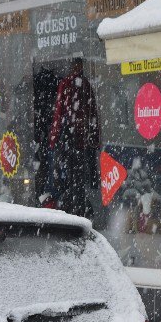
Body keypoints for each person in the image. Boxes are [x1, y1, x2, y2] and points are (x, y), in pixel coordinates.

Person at [48, 58, 99, 218]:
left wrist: (54, 138)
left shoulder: (70, 84)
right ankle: (78, 208)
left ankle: (72, 209)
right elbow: (92, 113)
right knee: (78, 178)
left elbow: (59, 111)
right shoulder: (84, 85)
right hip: (78, 140)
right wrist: (94, 137)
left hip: (70, 140)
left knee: (68, 176)